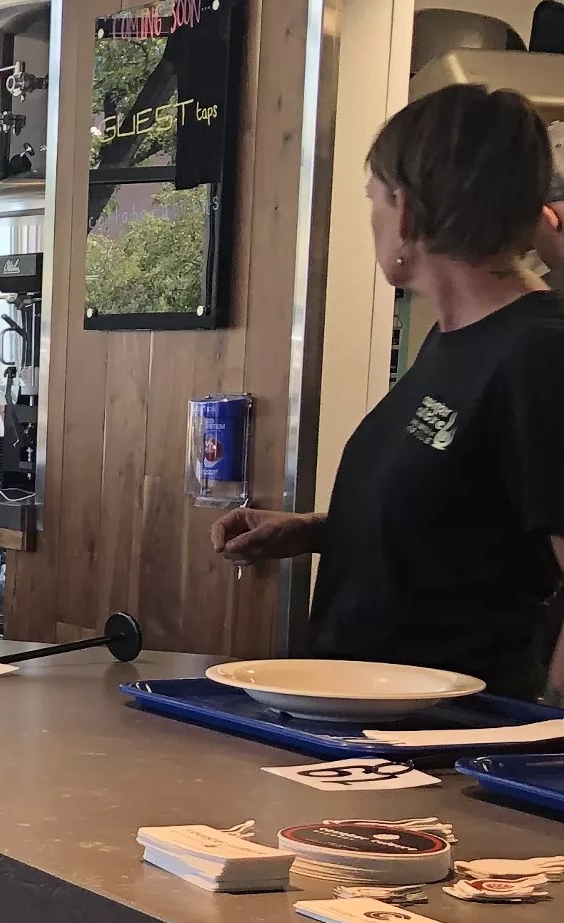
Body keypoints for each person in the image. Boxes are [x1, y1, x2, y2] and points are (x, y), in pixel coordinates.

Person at [214, 85, 564, 700]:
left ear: (405, 212)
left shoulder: (540, 351)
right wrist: (318, 530)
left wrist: (549, 736)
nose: (373, 217)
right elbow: (473, 520)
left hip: (454, 735)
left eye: (373, 196)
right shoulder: (454, 338)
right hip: (362, 720)